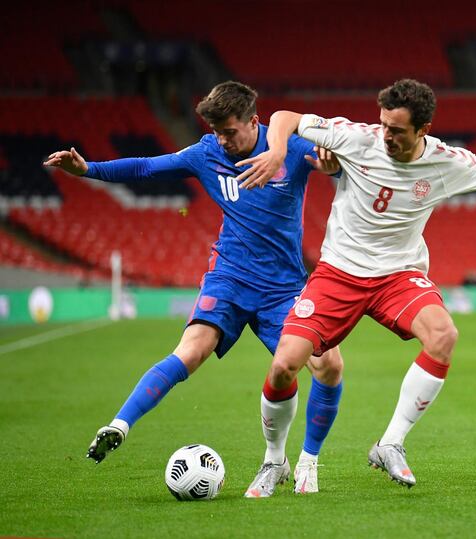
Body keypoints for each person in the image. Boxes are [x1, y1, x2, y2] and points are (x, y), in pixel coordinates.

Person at [233, 78, 476, 490]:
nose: (386, 135)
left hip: (398, 276)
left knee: (443, 335)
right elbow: (286, 117)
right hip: (338, 273)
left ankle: (391, 442)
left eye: (397, 130)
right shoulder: (358, 138)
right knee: (283, 366)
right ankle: (274, 460)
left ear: (423, 129)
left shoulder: (446, 161)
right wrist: (277, 147)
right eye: (384, 124)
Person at [44, 81, 345, 495]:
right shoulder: (207, 153)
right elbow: (148, 167)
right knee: (190, 351)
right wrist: (89, 170)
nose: (222, 140)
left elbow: (346, 163)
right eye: (216, 131)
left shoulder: (290, 150)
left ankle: (307, 459)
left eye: (229, 131)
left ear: (254, 122)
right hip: (229, 278)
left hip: (283, 287)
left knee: (327, 365)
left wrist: (335, 165)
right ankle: (120, 423)